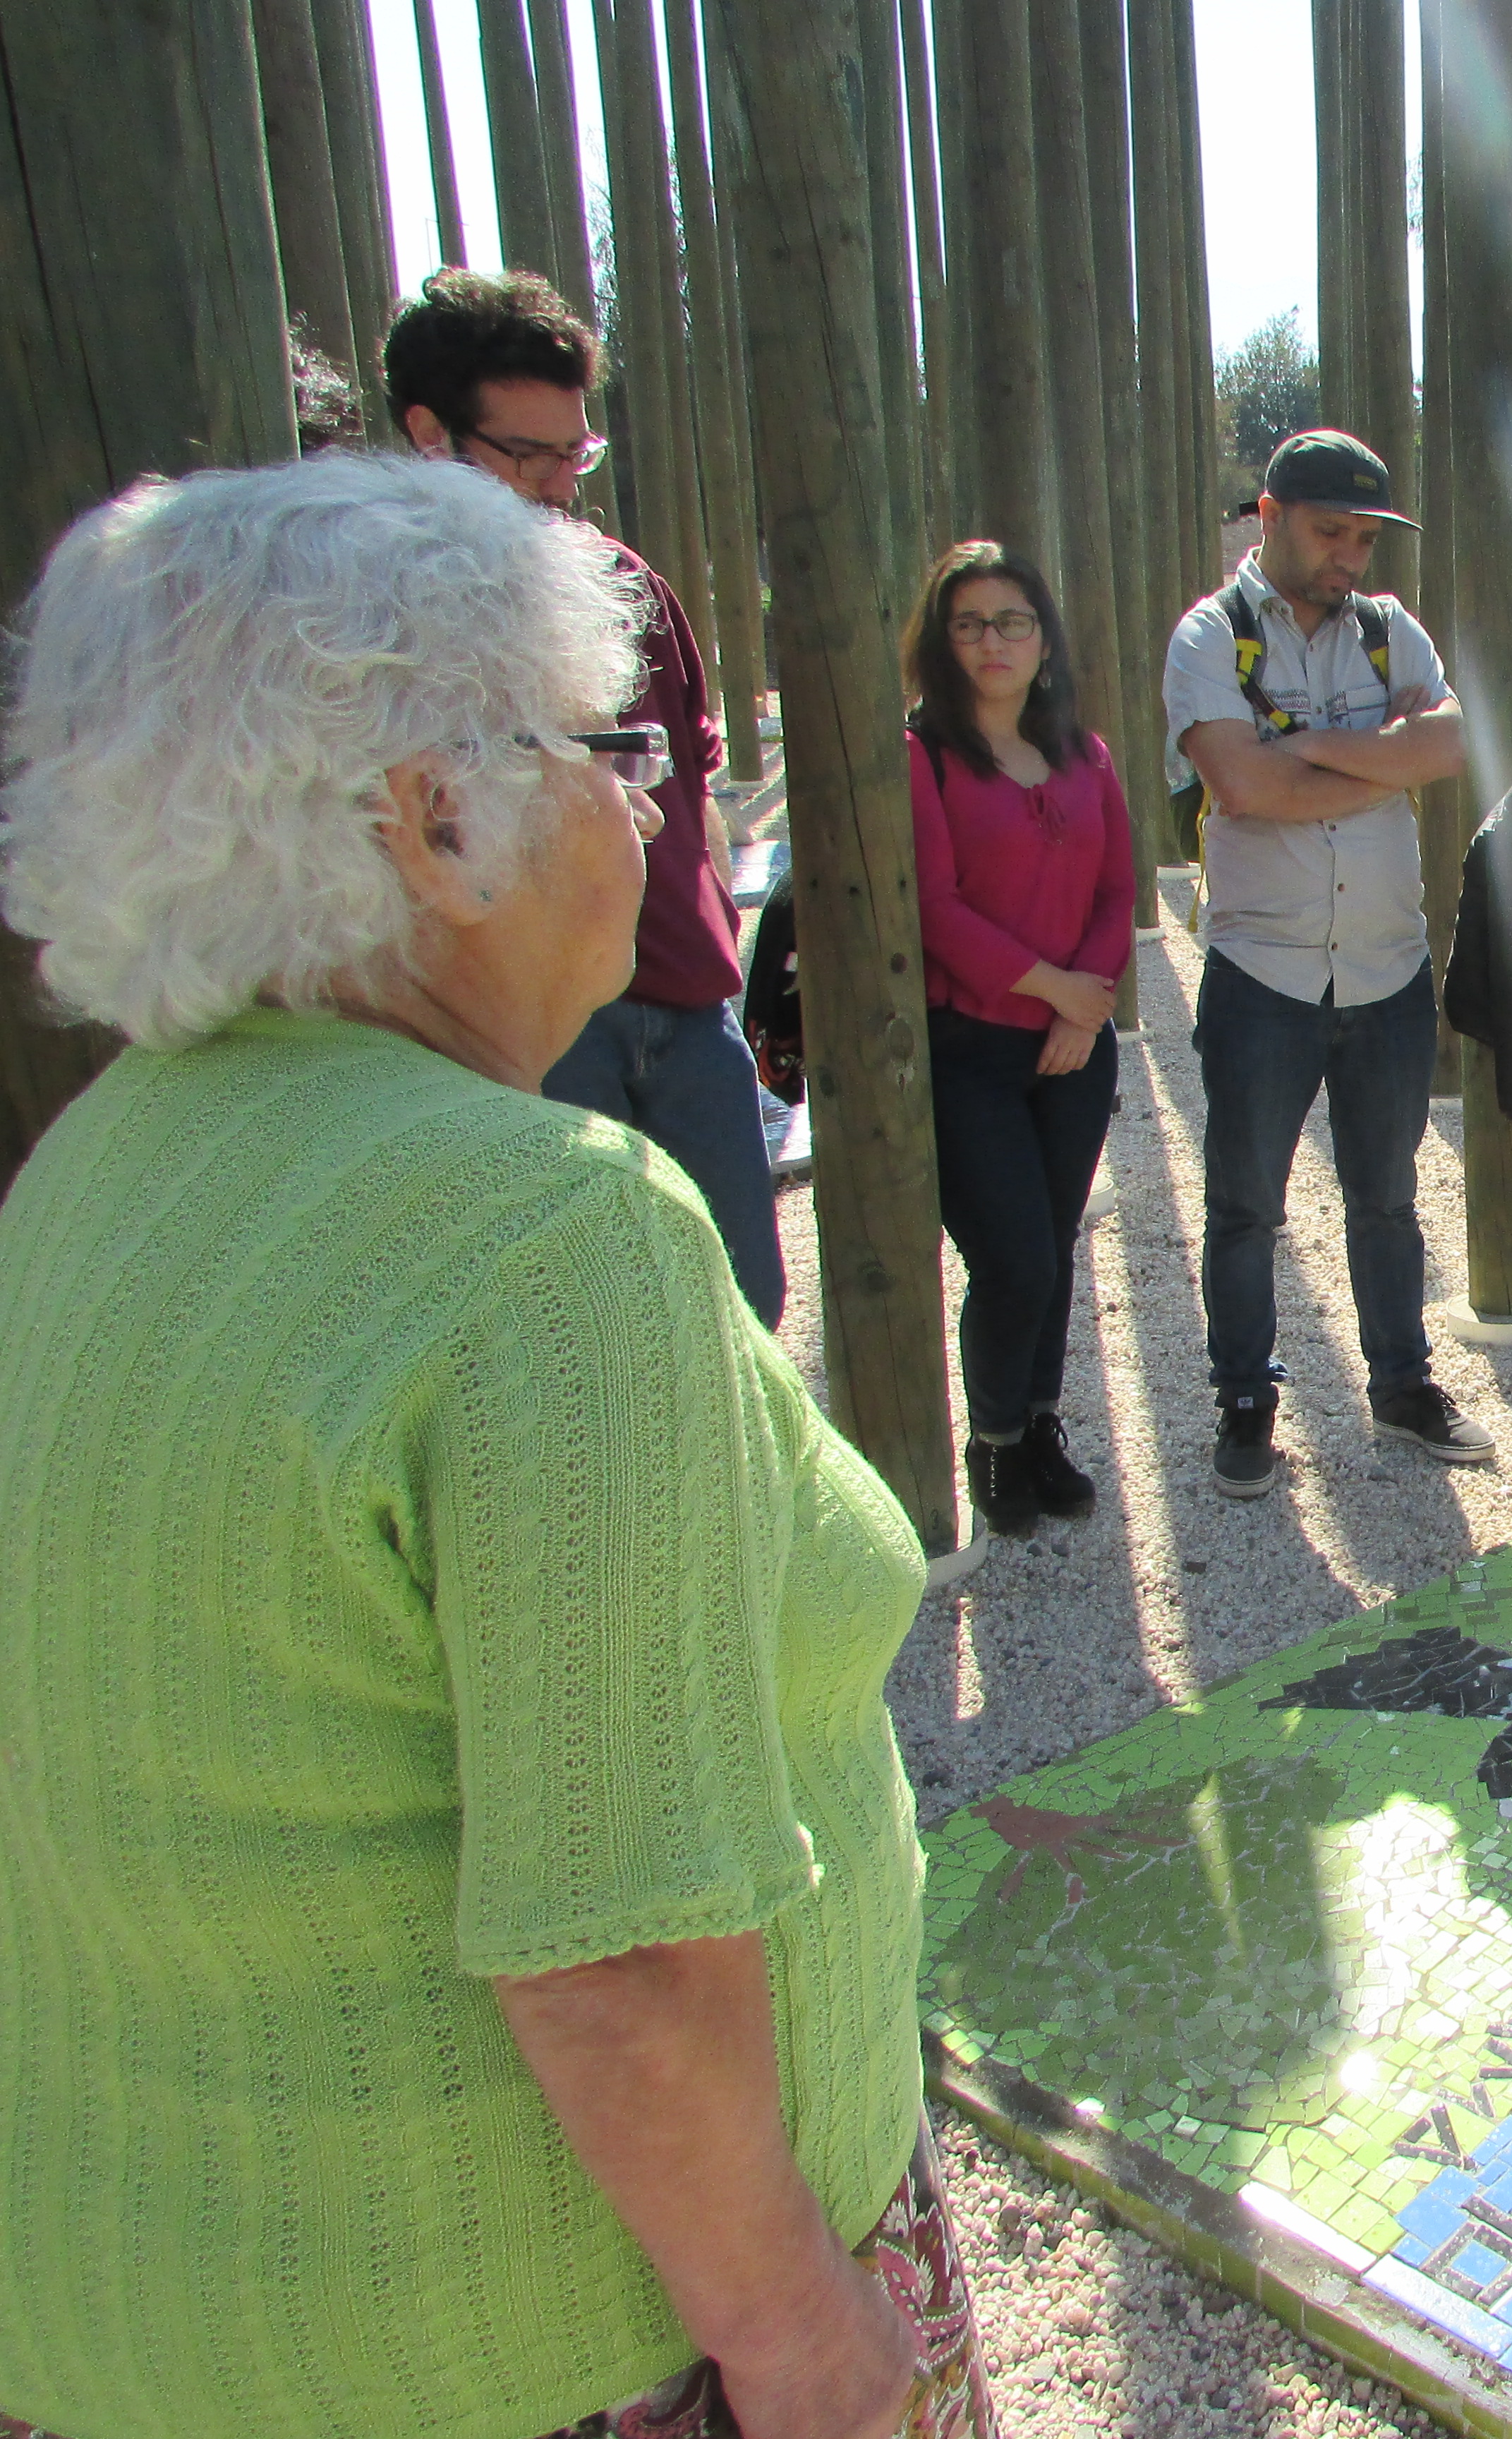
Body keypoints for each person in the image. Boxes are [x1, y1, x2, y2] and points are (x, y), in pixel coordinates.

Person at [0, 456, 993, 2437]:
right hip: (542, 2354)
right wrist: (804, 2336)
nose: (651, 800)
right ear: (434, 817)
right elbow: (618, 1960)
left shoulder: (86, 1173)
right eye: (612, 744)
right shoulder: (553, 1237)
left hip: (135, 2335)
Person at [387, 267, 785, 1329]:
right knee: (589, 1333)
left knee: (745, 1308)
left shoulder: (624, 583)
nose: (566, 483)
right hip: (533, 1027)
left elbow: (690, 766)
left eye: (578, 451)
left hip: (689, 1002)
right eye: (534, 455)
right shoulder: (376, 622)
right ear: (431, 435)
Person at [1165, 427, 1489, 1495]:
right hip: (1264, 972)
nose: (1351, 557)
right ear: (1269, 517)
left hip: (1389, 970)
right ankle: (1247, 1402)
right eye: (1330, 532)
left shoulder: (1393, 633)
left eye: (1364, 538)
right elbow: (1242, 790)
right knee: (1246, 1204)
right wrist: (1378, 763)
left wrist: (1295, 743)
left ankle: (1401, 1386)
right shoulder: (1209, 637)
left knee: (1387, 1195)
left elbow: (1450, 747)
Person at [907, 542, 1136, 1539]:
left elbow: (1120, 888)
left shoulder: (1086, 756)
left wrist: (1083, 1014)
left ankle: (1041, 1425)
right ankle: (993, 1441)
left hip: (1073, 1055)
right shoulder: (922, 757)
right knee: (1014, 1261)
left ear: (1044, 643)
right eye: (969, 623)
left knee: (1053, 1246)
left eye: (1012, 621)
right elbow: (937, 907)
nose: (992, 640)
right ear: (942, 644)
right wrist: (1059, 994)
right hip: (975, 1048)